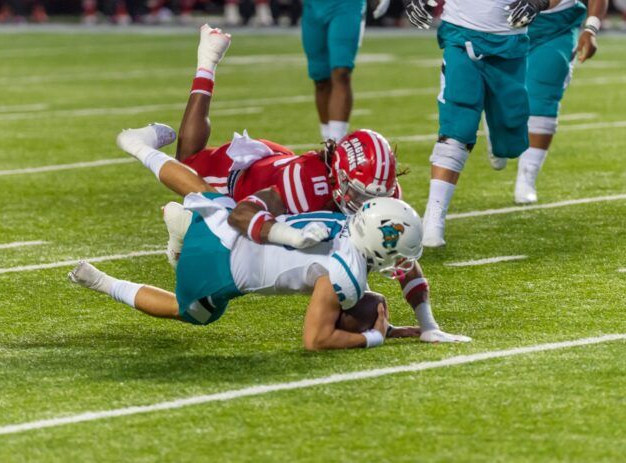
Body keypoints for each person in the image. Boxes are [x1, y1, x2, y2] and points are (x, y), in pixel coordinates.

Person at [115, 25, 462, 343]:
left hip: (279, 177)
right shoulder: (307, 186)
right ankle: (203, 65)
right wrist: (290, 237)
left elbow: (399, 255)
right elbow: (244, 215)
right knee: (190, 163)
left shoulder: (377, 191)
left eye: (373, 194)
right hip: (249, 180)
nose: (363, 201)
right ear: (340, 176)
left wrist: (428, 324)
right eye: (357, 192)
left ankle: (185, 229)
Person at [70, 193, 471, 350]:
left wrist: (424, 325)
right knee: (190, 312)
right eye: (398, 254)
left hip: (226, 223)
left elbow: (404, 263)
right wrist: (373, 337)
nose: (402, 264)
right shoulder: (346, 274)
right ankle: (103, 281)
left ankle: (181, 224)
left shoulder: (347, 223)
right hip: (218, 268)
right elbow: (315, 340)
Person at [401, 0, 562, 247]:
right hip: (460, 35)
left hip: (510, 44)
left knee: (510, 134)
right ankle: (434, 217)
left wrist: (538, 3)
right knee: (458, 123)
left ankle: (494, 124)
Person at [489, 0, 608, 204]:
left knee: (545, 95)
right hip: (503, 19)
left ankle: (527, 177)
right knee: (498, 91)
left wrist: (591, 28)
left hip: (557, 24)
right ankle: (497, 130)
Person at [301, 0, 394, 142]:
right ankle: (327, 141)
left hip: (347, 5)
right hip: (312, 6)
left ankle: (336, 142)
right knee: (320, 79)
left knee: (341, 72)